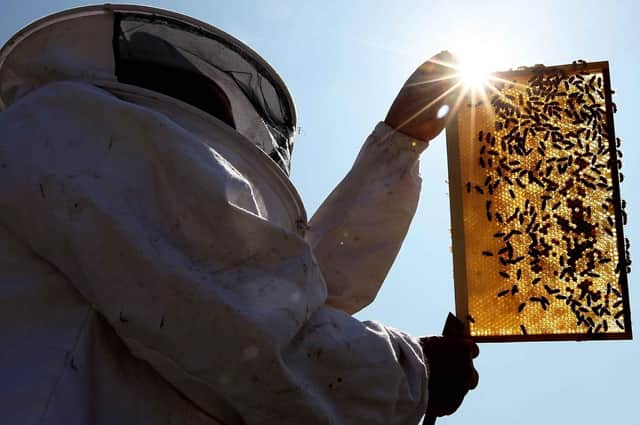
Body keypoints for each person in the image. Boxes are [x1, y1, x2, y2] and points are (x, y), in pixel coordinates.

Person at [0, 5, 478, 425]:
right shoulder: (73, 122)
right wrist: (416, 374)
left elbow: (286, 294)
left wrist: (396, 146)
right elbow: (240, 324)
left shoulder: (83, 170)